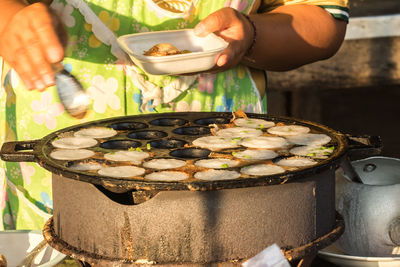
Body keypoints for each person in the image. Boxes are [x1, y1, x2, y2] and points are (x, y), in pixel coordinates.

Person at [0, 0, 348, 230]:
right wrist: (11, 21)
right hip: (62, 158)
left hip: (227, 156)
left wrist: (253, 34)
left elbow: (323, 19)